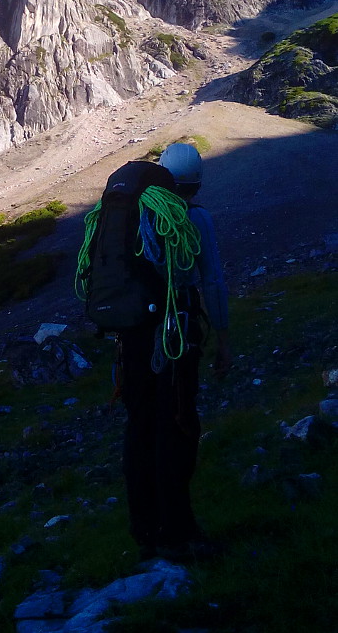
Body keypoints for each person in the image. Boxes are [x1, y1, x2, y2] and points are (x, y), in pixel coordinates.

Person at [119, 142, 231, 562]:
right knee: (178, 423)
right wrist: (224, 340)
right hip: (175, 333)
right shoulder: (195, 218)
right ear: (197, 180)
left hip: (133, 338)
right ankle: (179, 532)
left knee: (141, 426)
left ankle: (145, 530)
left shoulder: (133, 216)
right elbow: (212, 282)